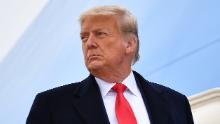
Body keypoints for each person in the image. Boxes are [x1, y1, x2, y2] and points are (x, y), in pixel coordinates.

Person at [26, 5, 194, 124]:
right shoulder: (51, 106)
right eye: (84, 37)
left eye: (100, 34)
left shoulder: (176, 103)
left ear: (129, 44)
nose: (89, 43)